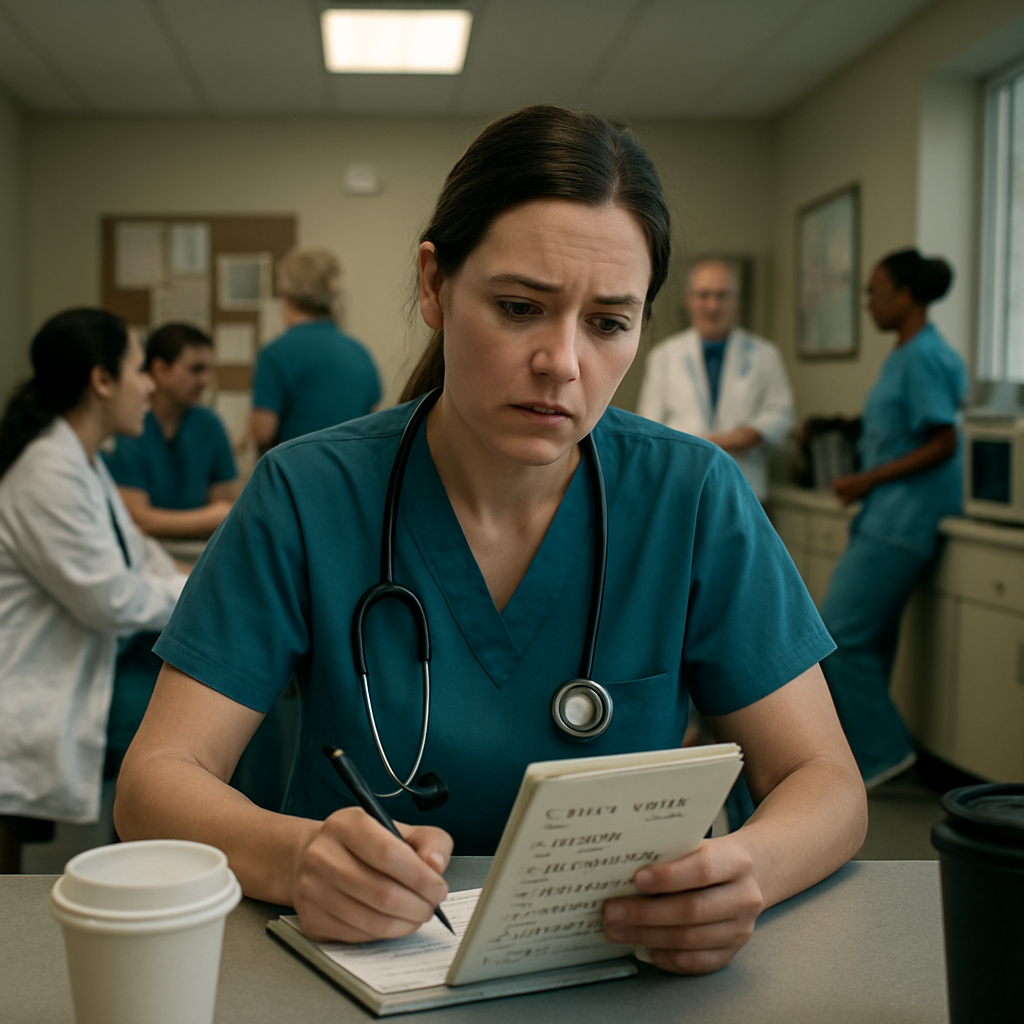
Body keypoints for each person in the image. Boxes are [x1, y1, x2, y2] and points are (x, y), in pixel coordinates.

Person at [116, 106, 866, 976]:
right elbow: (153, 781)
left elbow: (827, 781)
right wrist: (292, 856)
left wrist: (747, 870)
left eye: (609, 322)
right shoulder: (306, 494)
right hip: (352, 970)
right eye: (519, 307)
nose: (562, 362)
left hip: (619, 977)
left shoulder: (689, 498)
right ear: (434, 285)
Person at [0, 309, 186, 864]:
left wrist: (189, 583)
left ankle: (144, 869)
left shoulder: (81, 461)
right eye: (138, 369)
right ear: (101, 381)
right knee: (194, 725)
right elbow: (112, 599)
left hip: (88, 666)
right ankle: (140, 876)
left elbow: (141, 555)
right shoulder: (48, 470)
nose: (150, 384)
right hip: (38, 688)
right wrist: (197, 595)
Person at [821, 250, 968, 789]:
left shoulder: (924, 356)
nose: (868, 302)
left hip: (904, 519)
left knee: (837, 637)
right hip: (887, 516)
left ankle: (884, 752)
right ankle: (867, 756)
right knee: (870, 641)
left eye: (876, 290)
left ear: (906, 295)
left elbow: (944, 442)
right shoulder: (905, 354)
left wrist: (868, 480)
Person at [636, 259, 794, 500]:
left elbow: (781, 416)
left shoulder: (764, 354)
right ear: (688, 299)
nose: (712, 305)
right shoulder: (664, 357)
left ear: (736, 301)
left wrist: (739, 438)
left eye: (722, 295)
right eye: (703, 295)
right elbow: (648, 427)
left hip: (743, 485)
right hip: (681, 483)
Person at [104, 322, 236, 539]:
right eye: (195, 369)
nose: (204, 381)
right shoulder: (130, 425)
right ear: (160, 369)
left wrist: (217, 516)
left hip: (200, 550)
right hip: (145, 548)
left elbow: (224, 513)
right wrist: (210, 518)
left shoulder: (209, 425)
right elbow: (136, 518)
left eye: (207, 370)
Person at [250, 248, 381, 450]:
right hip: (351, 473)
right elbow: (374, 421)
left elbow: (263, 432)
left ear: (287, 296)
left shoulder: (275, 354)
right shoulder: (358, 352)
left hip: (296, 474)